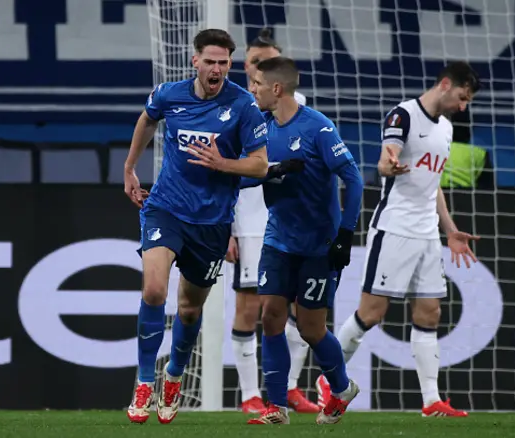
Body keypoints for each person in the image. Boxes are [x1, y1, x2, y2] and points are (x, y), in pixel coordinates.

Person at [124, 28, 279, 424]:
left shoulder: (243, 106)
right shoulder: (168, 95)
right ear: (195, 61)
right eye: (209, 61)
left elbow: (260, 165)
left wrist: (223, 164)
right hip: (166, 208)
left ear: (231, 64)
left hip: (211, 222)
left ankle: (174, 375)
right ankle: (144, 383)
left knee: (190, 309)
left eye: (223, 63)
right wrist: (129, 168)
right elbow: (147, 120)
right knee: (154, 288)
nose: (216, 69)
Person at [316, 61, 481, 417]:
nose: (463, 106)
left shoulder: (447, 129)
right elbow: (383, 162)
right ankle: (329, 379)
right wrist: (390, 164)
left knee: (430, 312)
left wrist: (449, 230)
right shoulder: (403, 115)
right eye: (463, 97)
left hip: (426, 234)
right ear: (446, 84)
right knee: (371, 313)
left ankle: (431, 401)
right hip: (394, 229)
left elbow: (433, 185)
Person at [245, 57, 364, 425]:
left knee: (312, 329)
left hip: (318, 246)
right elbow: (245, 176)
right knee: (271, 317)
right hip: (278, 239)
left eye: (258, 85)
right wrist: (272, 170)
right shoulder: (260, 128)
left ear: (276, 89)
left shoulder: (318, 128)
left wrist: (345, 234)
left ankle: (342, 388)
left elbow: (355, 180)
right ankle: (276, 407)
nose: (253, 91)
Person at [227, 28, 318, 415]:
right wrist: (225, 228)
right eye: (254, 61)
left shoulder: (301, 108)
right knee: (251, 308)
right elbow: (225, 172)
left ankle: (292, 388)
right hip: (248, 220)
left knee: (300, 306)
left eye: (268, 62)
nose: (259, 68)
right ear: (246, 66)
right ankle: (250, 393)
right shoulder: (230, 107)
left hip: (290, 219)